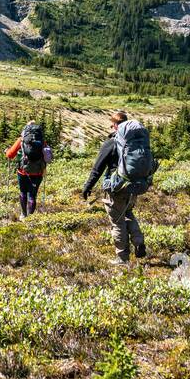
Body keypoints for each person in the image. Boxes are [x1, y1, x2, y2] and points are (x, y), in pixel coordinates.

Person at [81, 110, 152, 265]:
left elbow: (97, 168)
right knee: (128, 213)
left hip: (116, 187)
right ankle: (139, 242)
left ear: (114, 125)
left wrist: (87, 187)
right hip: (134, 185)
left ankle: (122, 257)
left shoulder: (111, 143)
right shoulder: (133, 142)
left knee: (117, 221)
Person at [5, 121, 53, 216]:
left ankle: (23, 215)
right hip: (38, 173)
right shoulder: (42, 141)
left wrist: (6, 151)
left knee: (23, 192)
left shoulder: (22, 140)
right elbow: (47, 156)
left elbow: (10, 155)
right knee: (32, 195)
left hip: (23, 172)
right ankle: (31, 218)